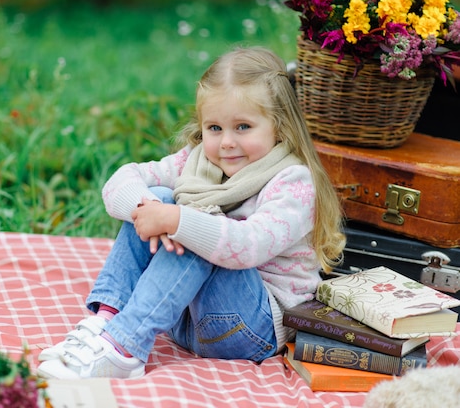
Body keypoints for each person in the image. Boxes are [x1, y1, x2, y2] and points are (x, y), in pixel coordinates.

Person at [36, 46, 345, 380]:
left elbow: (249, 244)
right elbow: (119, 182)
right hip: (181, 322)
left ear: (280, 127)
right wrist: (149, 209)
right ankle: (108, 321)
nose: (226, 142)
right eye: (214, 128)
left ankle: (125, 349)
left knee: (204, 227)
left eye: (243, 127)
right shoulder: (198, 161)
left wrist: (179, 221)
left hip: (249, 329)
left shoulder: (292, 181)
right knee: (159, 195)